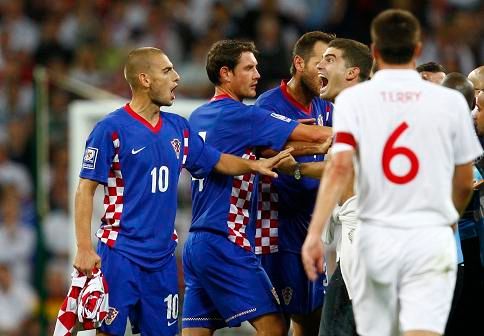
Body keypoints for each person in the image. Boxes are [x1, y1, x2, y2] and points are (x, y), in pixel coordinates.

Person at [73, 46, 293, 336]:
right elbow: (85, 189)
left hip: (163, 258)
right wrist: (84, 248)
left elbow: (216, 160)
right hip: (120, 253)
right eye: (167, 71)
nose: (177, 77)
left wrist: (255, 166)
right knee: (106, 332)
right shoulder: (110, 129)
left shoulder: (178, 128)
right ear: (145, 79)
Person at [302, 9, 482, 336]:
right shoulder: (448, 102)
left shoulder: (356, 101)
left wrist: (314, 233)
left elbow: (339, 168)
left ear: (374, 51)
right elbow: (464, 180)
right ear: (417, 50)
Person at [182, 40, 332, 336]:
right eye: (248, 68)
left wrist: (293, 145)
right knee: (275, 327)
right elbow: (317, 133)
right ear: (225, 73)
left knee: (196, 332)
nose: (256, 75)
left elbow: (257, 149)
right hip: (227, 239)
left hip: (197, 241)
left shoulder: (199, 116)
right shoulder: (243, 115)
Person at [253, 31, 335, 336]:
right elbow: (264, 151)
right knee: (278, 324)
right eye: (320, 62)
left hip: (310, 226)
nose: (326, 70)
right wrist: (315, 149)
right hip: (277, 229)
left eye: (331, 62)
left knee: (310, 317)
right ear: (299, 63)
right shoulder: (268, 105)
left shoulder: (325, 107)